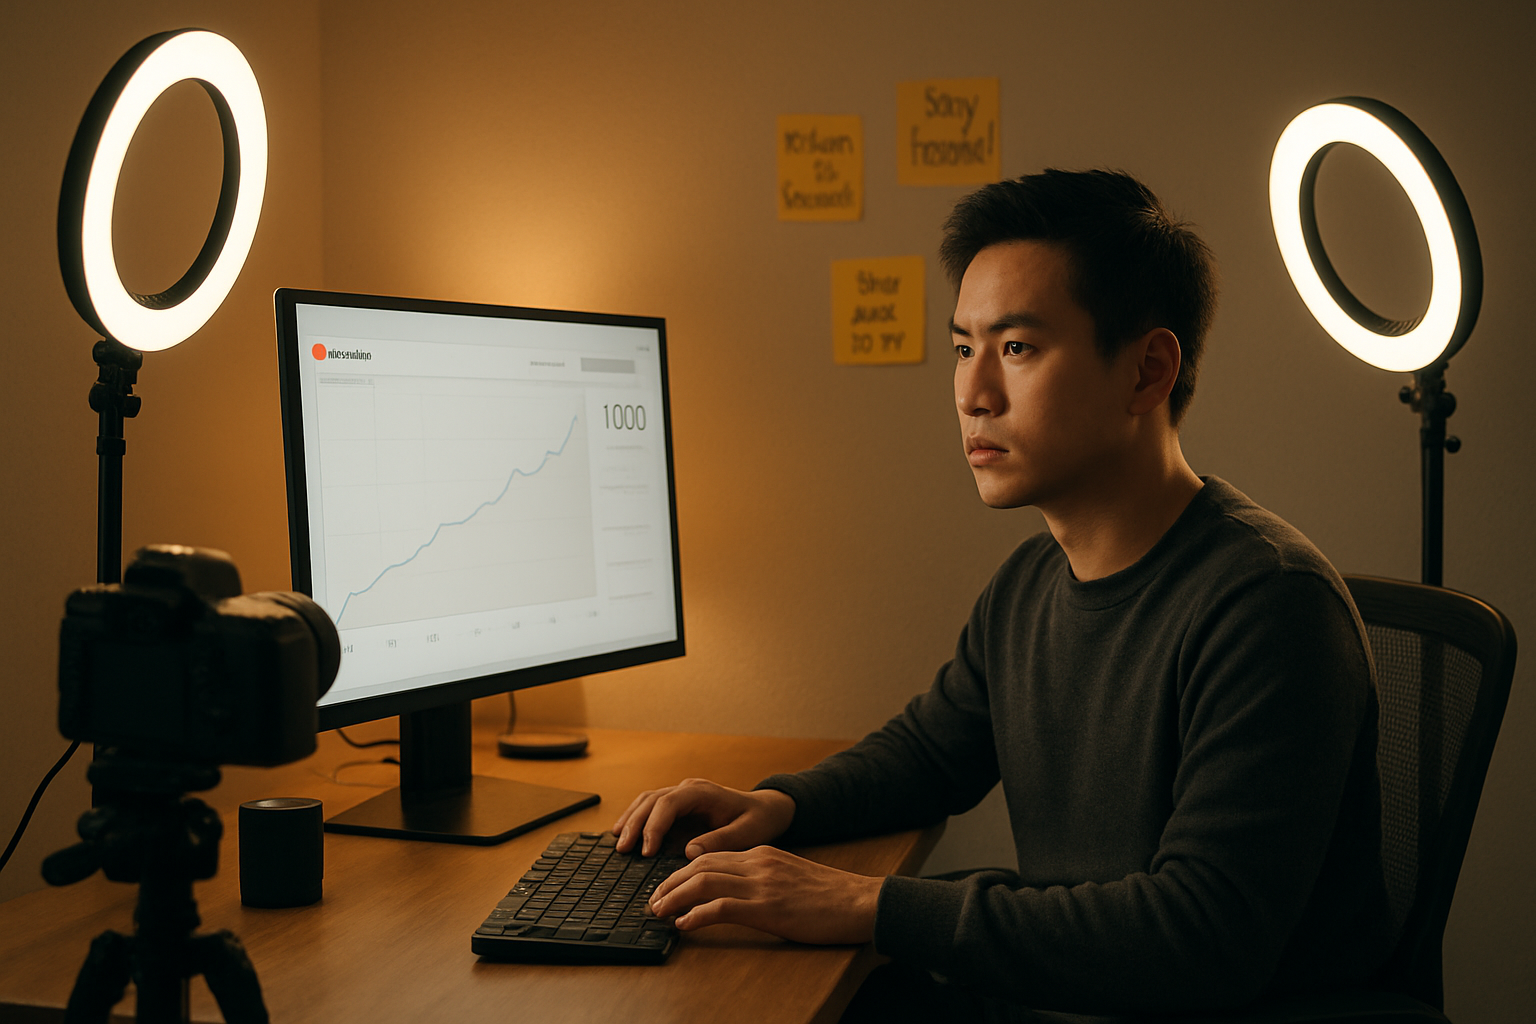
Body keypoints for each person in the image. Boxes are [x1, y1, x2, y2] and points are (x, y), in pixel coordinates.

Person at [613, 169, 1396, 1021]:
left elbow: (1197, 939)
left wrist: (863, 905)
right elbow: (927, 755)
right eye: (962, 348)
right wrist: (777, 804)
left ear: (1148, 371)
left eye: (1016, 348)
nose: (972, 394)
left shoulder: (1268, 605)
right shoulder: (1031, 583)